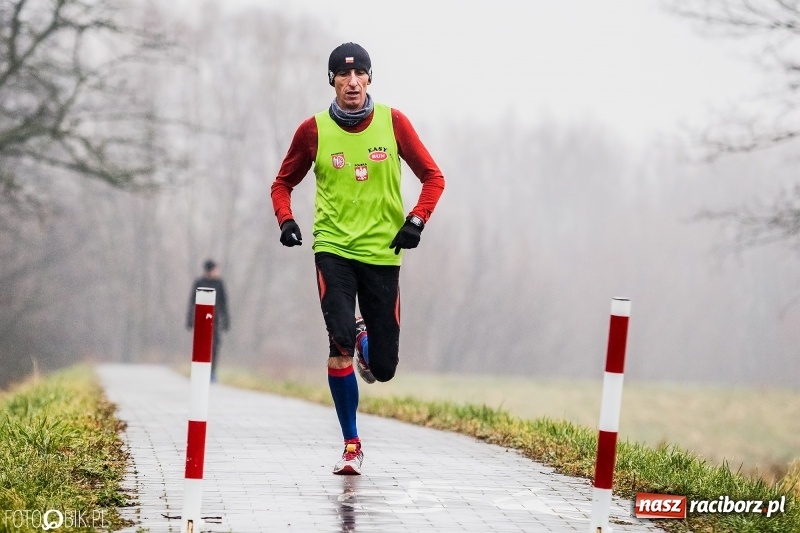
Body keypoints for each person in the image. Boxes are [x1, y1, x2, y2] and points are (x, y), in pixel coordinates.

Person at [270, 42, 445, 475]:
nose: (352, 82)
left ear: (370, 78)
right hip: (333, 249)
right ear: (331, 80)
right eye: (343, 76)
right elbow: (281, 184)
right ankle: (351, 445)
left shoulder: (393, 122)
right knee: (339, 341)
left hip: (383, 254)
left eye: (359, 75)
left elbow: (433, 177)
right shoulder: (312, 131)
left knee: (383, 369)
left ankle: (365, 336)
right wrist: (286, 221)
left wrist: (416, 221)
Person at [186, 259, 230, 383]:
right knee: (199, 346)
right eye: (216, 269)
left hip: (215, 320)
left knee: (215, 346)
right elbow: (191, 301)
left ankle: (212, 372)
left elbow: (224, 303)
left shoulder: (220, 283)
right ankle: (198, 371)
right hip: (200, 320)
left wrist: (226, 320)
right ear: (210, 270)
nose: (218, 272)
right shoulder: (199, 282)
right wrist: (189, 319)